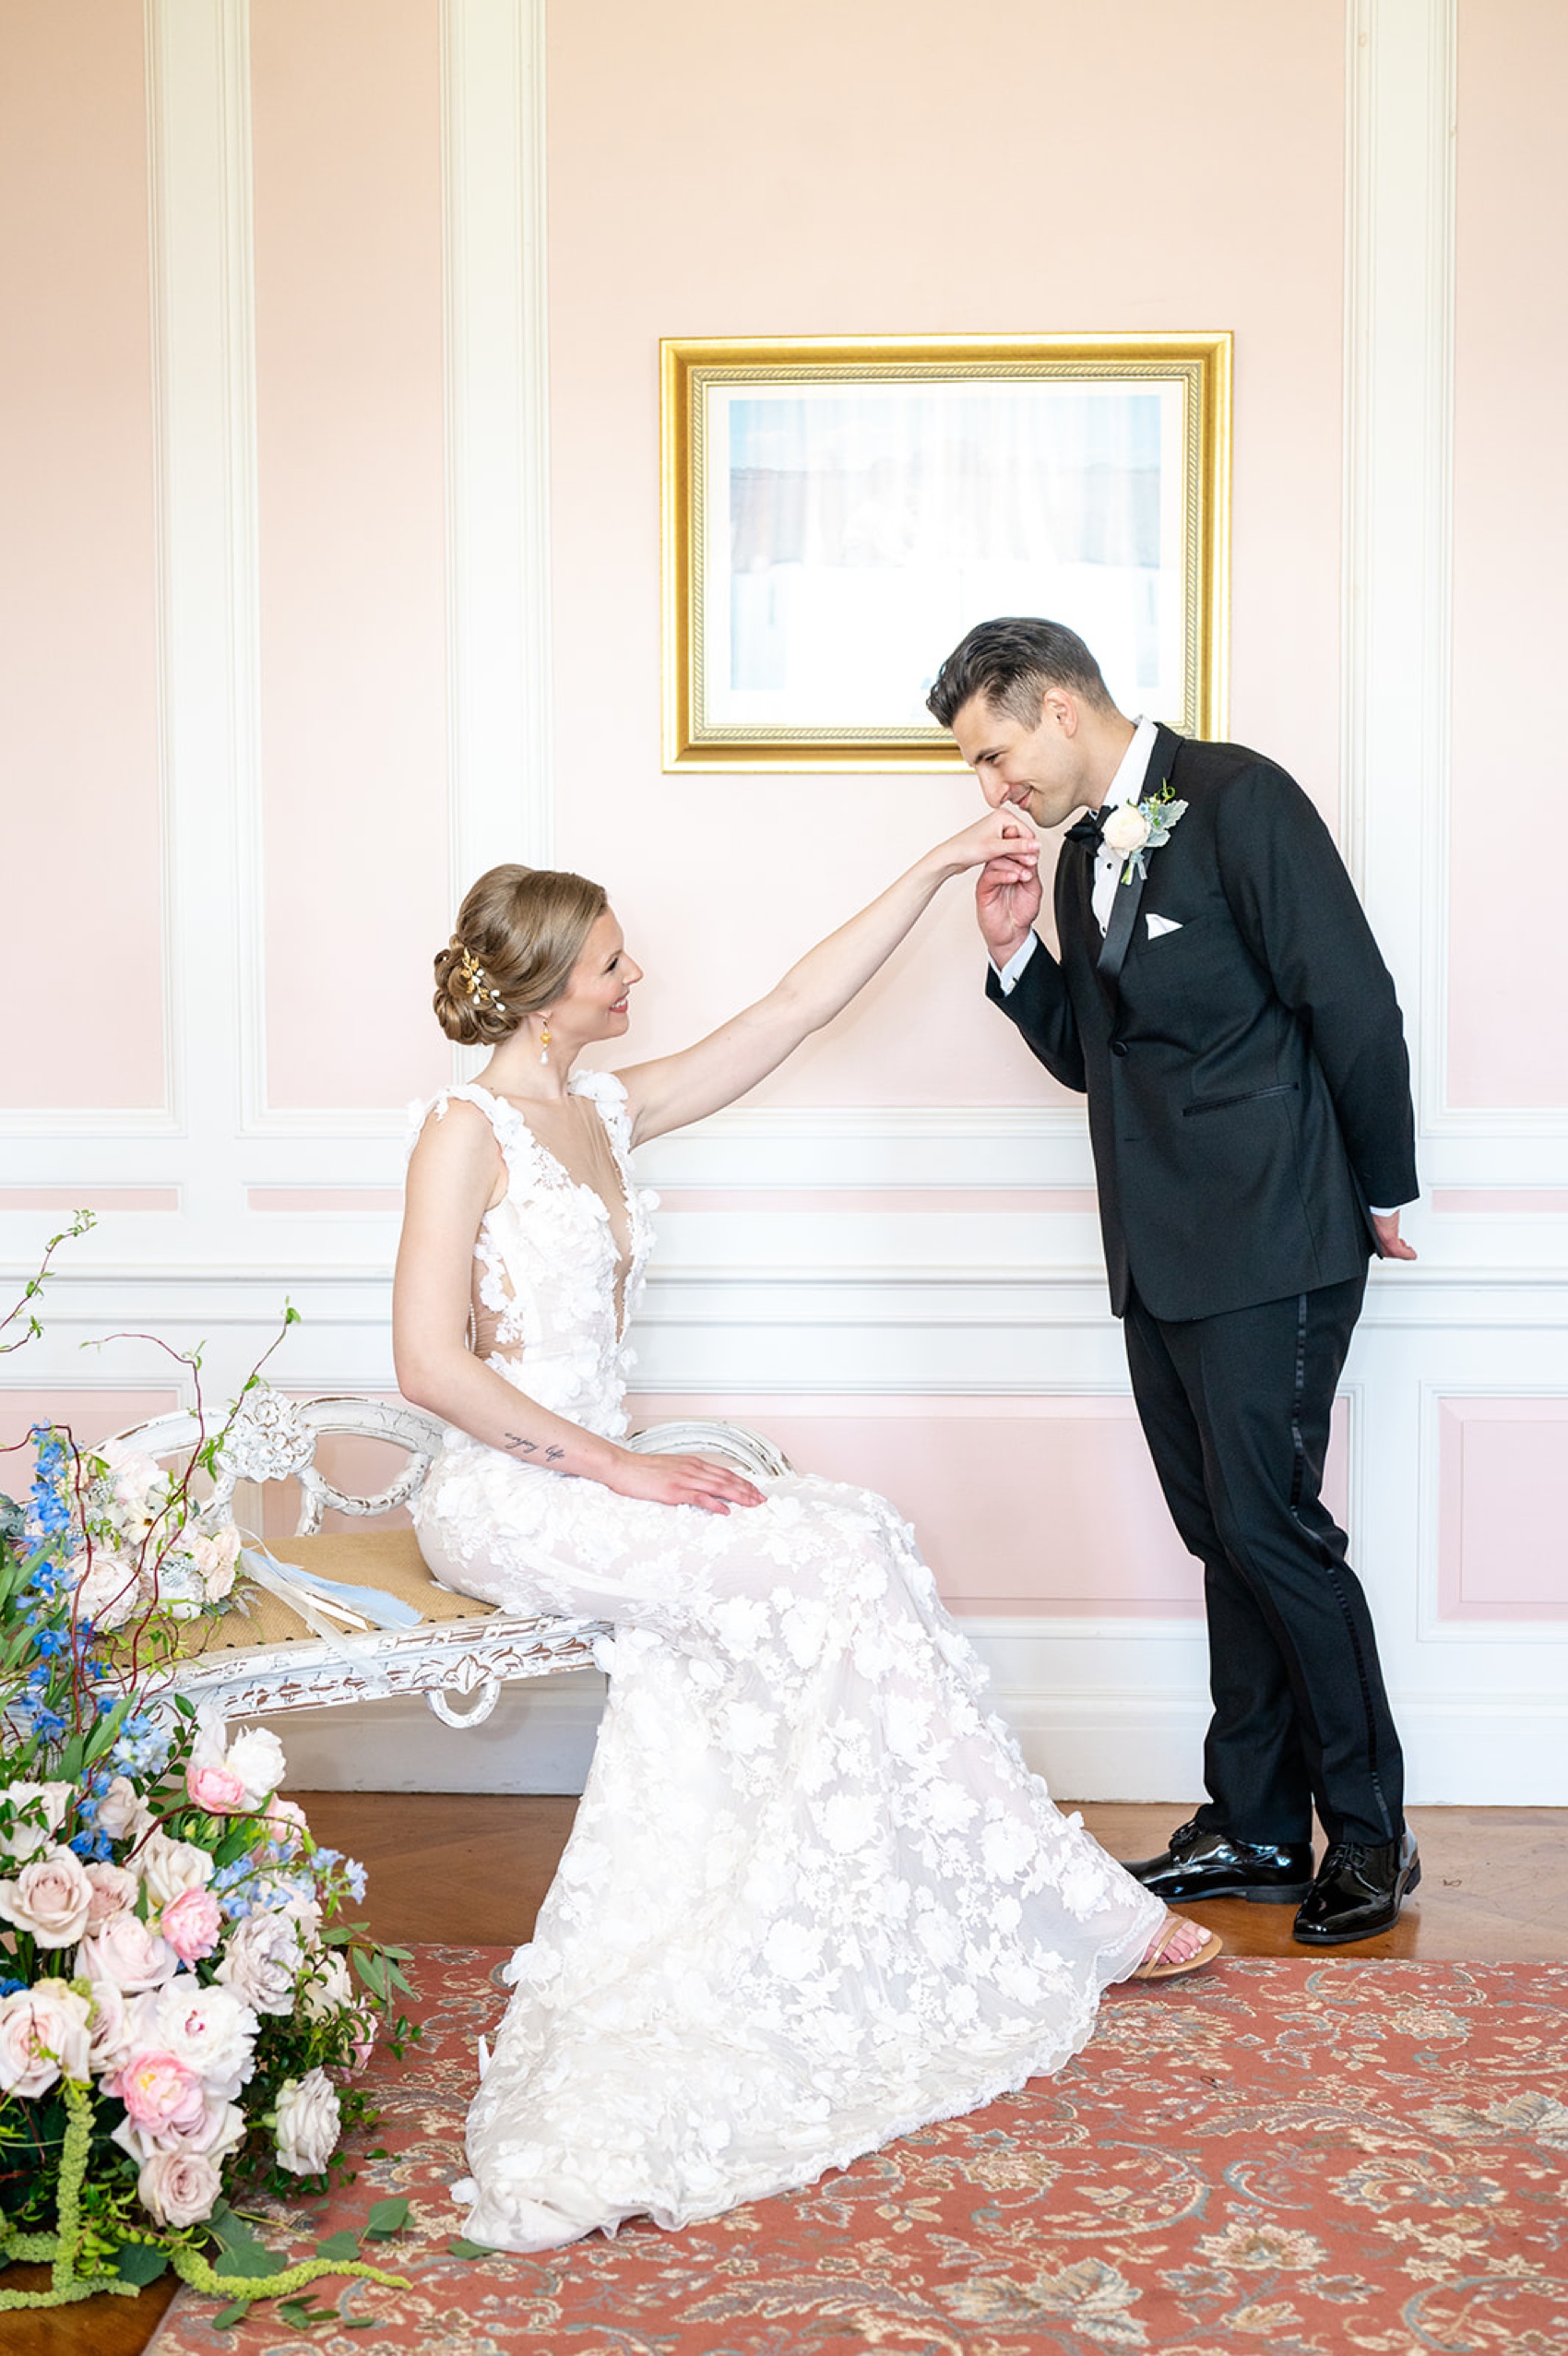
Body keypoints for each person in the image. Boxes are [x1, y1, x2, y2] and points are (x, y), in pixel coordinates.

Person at [392, 818, 1220, 2255]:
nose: (634, 971)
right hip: (512, 1489)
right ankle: (1072, 1905)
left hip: (605, 1477)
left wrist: (929, 871)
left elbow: (789, 1008)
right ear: (541, 990)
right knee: (818, 1557)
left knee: (854, 1532)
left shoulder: (605, 1109)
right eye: (608, 960)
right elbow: (428, 1365)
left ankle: (915, 1907)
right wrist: (619, 1469)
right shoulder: (464, 1132)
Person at [927, 616, 1420, 1949]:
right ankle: (1256, 1824)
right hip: (1159, 1256)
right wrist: (1019, 953)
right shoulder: (1087, 850)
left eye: (994, 751)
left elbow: (1354, 1002)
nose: (992, 787)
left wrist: (1383, 1188)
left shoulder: (1243, 798)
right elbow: (1106, 1056)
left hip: (1282, 1240)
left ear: (1062, 711)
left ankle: (1369, 1833)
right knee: (1224, 1535)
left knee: (1273, 1532)